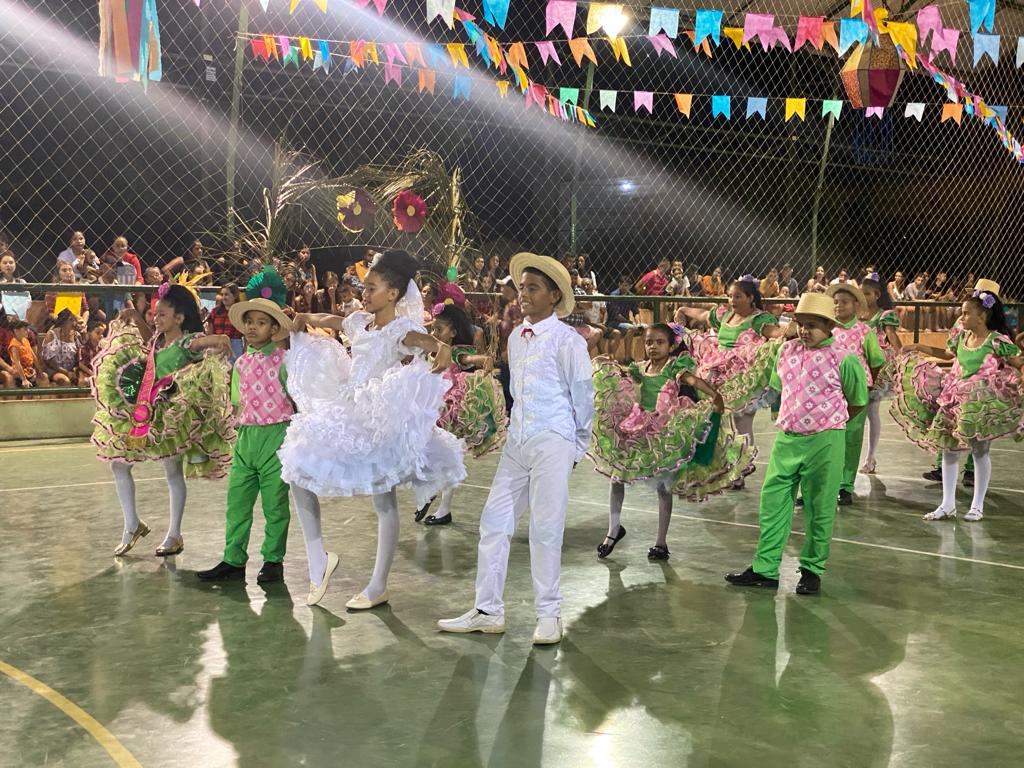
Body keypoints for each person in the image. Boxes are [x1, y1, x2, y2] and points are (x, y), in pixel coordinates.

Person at [280, 250, 465, 609]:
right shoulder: (360, 321)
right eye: (364, 287)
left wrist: (439, 346)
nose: (364, 293)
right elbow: (333, 321)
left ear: (393, 293)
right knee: (297, 466)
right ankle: (318, 559)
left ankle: (378, 584)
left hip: (378, 415)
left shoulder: (399, 329)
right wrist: (304, 317)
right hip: (346, 406)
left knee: (383, 497)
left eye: (371, 288)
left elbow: (420, 340)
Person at [438, 253, 593, 645]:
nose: (523, 294)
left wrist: (575, 447)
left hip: (553, 440)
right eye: (522, 287)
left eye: (533, 288)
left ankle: (549, 614)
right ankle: (488, 610)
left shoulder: (568, 341)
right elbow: (515, 393)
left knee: (545, 528)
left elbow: (583, 397)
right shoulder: (515, 338)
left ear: (554, 296)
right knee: (494, 522)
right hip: (519, 441)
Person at [726, 293, 868, 595]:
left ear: (829, 326)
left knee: (820, 506)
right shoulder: (786, 350)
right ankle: (765, 568)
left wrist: (830, 422)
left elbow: (857, 401)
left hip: (825, 440)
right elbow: (779, 390)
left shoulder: (844, 358)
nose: (804, 330)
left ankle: (812, 569)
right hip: (787, 438)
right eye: (801, 324)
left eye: (812, 325)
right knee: (773, 502)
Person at [91, 285, 235, 557]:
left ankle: (174, 534)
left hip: (171, 415)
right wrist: (135, 315)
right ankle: (132, 524)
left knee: (172, 472)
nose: (156, 319)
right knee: (119, 464)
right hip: (146, 411)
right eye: (155, 314)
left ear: (179, 318)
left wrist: (220, 338)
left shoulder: (187, 342)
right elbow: (150, 344)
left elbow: (202, 342)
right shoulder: (158, 340)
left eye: (162, 315)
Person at [590, 324, 753, 561]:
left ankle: (661, 541)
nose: (653, 347)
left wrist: (715, 395)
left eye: (659, 342)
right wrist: (610, 371)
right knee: (617, 476)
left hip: (662, 431)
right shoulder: (641, 367)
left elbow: (693, 381)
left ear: (671, 346)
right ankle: (613, 530)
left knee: (663, 487)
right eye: (649, 342)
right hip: (636, 426)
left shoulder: (674, 367)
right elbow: (625, 376)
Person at [892, 283, 1024, 522]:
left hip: (979, 404)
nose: (961, 317)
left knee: (980, 452)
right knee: (948, 449)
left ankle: (977, 505)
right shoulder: (962, 337)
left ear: (982, 316)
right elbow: (947, 354)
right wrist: (919, 346)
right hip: (953, 399)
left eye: (965, 313)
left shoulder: (996, 341)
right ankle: (947, 504)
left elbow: (1018, 362)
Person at [198, 268, 294, 584]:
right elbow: (238, 403)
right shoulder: (241, 363)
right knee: (237, 502)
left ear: (275, 328)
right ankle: (233, 559)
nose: (253, 327)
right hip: (246, 438)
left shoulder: (284, 361)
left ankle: (273, 561)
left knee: (275, 505)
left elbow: (296, 398)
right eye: (250, 321)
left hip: (276, 436)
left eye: (261, 322)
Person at [677, 276, 782, 486]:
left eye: (738, 296)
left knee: (742, 421)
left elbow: (775, 332)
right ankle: (733, 467)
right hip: (718, 375)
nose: (732, 300)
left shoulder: (758, 319)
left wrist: (794, 329)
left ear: (750, 298)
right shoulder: (725, 315)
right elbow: (703, 315)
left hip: (744, 378)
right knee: (723, 423)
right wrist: (684, 309)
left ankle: (741, 469)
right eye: (730, 296)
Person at [415, 303, 507, 526]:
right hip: (431, 405)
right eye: (434, 329)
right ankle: (433, 490)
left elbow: (468, 358)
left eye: (440, 329)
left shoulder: (455, 351)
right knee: (430, 452)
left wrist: (484, 360)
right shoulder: (433, 350)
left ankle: (442, 506)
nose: (435, 333)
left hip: (450, 408)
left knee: (449, 457)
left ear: (453, 332)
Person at [823, 283, 885, 505]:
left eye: (845, 302)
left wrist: (865, 385)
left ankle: (845, 485)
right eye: (835, 302)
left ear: (856, 305)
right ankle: (823, 484)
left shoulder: (864, 331)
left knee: (851, 436)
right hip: (828, 389)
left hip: (855, 391)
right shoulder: (826, 329)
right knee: (826, 436)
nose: (839, 306)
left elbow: (876, 361)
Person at [859, 273, 902, 474]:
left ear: (877, 295)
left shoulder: (884, 315)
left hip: (876, 366)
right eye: (861, 293)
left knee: (871, 411)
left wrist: (903, 358)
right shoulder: (855, 314)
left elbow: (892, 336)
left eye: (867, 293)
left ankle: (871, 457)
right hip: (857, 363)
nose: (863, 297)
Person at [39, 309, 81, 386]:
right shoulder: (52, 334)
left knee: (83, 380)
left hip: (72, 370)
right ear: (63, 322)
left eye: (75, 320)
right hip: (55, 370)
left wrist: (75, 370)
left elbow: (80, 356)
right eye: (71, 320)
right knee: (65, 381)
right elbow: (49, 361)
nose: (74, 323)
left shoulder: (76, 335)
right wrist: (66, 372)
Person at [7, 319, 49, 388]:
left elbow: (34, 357)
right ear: (16, 331)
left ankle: (44, 394)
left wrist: (40, 372)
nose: (28, 331)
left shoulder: (25, 340)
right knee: (27, 387)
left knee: (44, 376)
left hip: (30, 370)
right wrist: (24, 380)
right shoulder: (14, 345)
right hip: (21, 373)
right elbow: (17, 363)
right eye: (25, 329)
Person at [206, 284, 245, 361]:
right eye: (222, 294)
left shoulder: (240, 313)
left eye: (226, 294)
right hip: (217, 345)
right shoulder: (215, 312)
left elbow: (246, 335)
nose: (223, 297)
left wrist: (245, 352)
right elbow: (210, 331)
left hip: (235, 346)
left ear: (235, 296)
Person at [78, 319, 107, 383]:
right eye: (98, 333)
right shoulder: (83, 348)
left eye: (102, 333)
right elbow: (81, 364)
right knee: (84, 381)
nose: (101, 336)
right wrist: (92, 373)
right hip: (87, 373)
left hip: (99, 373)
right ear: (89, 333)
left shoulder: (101, 349)